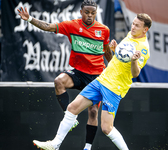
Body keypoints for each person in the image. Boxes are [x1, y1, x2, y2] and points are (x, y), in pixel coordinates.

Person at [32, 13, 152, 150]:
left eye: (137, 25)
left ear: (145, 30)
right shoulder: (131, 35)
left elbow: (135, 73)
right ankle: (55, 144)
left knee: (107, 128)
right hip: (102, 80)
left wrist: (134, 61)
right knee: (71, 108)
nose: (133, 26)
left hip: (114, 88)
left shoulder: (143, 47)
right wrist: (115, 49)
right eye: (133, 23)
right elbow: (121, 58)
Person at [17, 0, 113, 150]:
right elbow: (48, 27)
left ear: (96, 13)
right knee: (59, 81)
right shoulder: (72, 25)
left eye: (93, 13)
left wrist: (114, 69)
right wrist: (29, 19)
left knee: (93, 112)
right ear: (81, 12)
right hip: (79, 72)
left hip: (96, 76)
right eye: (87, 12)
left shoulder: (103, 30)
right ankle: (69, 118)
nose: (89, 15)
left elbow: (107, 51)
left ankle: (87, 147)